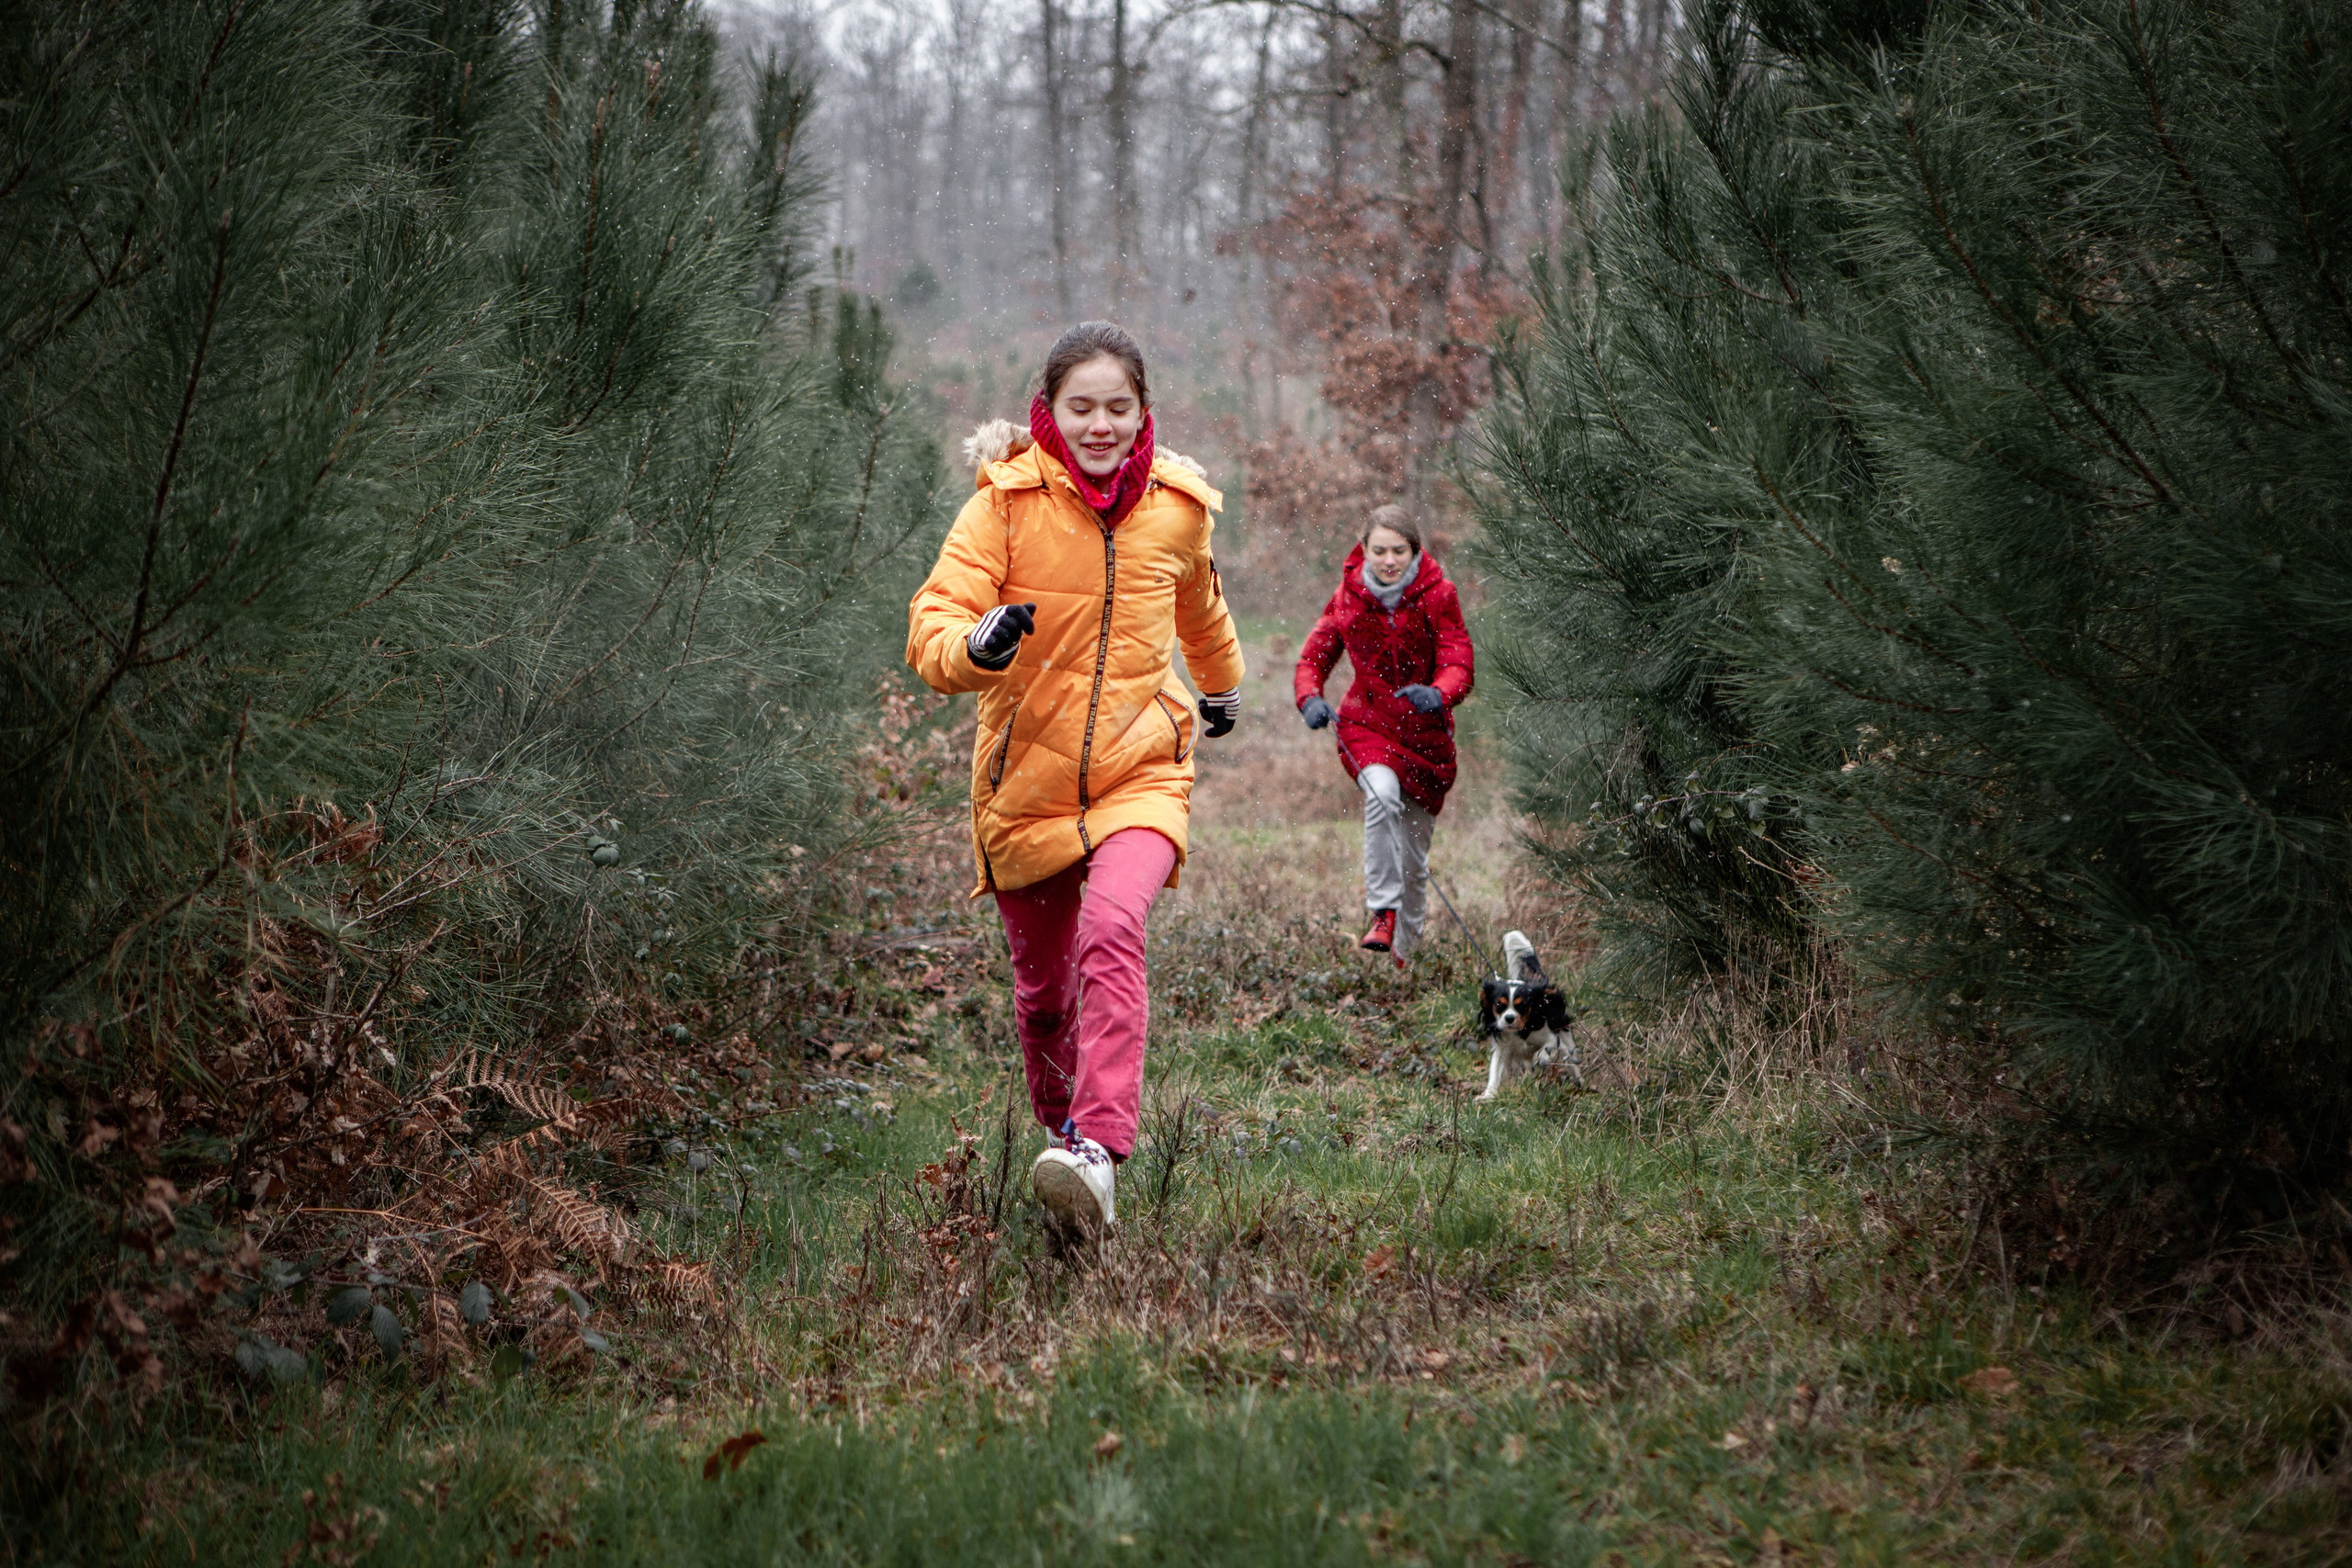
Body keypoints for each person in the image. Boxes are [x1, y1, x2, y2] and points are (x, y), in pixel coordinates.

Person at [907, 321, 1243, 1246]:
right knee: (1044, 998)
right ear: (1047, 412)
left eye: (1117, 407)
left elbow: (1200, 604)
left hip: (1142, 770)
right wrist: (975, 648)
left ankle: (1097, 1149)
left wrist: (1220, 685)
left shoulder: (1176, 508)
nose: (1100, 425)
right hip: (1026, 789)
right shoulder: (1003, 508)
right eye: (1080, 406)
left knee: (1113, 926)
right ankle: (1065, 1152)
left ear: (1144, 414)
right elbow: (932, 622)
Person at [1293, 503, 1474, 964]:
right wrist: (1310, 697)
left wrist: (1440, 692)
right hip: (1368, 725)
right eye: (1380, 551)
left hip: (1427, 739)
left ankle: (1405, 959)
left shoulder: (1439, 595)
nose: (1389, 560)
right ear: (1365, 550)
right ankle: (1382, 911)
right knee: (1381, 793)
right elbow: (1313, 658)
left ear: (1414, 552)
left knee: (1415, 865)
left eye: (1399, 551)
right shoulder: (1347, 597)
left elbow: (1458, 659)